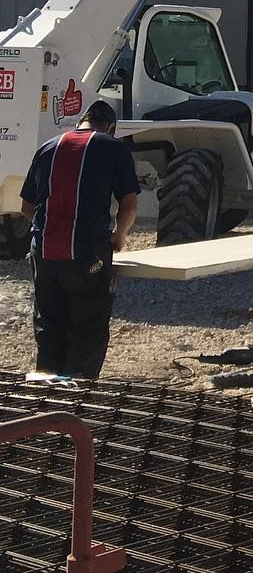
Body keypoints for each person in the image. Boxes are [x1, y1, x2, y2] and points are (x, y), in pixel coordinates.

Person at [20, 99, 140, 379]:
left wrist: (48, 231)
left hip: (45, 254)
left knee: (48, 328)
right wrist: (118, 237)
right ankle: (78, 403)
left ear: (80, 122)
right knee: (87, 332)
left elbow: (27, 206)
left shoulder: (48, 146)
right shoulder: (114, 148)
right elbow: (130, 206)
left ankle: (46, 403)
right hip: (88, 253)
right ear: (111, 127)